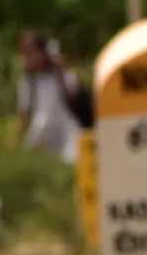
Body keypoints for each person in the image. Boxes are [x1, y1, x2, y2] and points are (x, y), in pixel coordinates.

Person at [12, 34, 92, 165]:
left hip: (66, 133)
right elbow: (24, 117)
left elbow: (74, 99)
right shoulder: (28, 83)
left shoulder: (65, 76)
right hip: (43, 134)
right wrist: (14, 141)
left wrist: (60, 72)